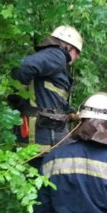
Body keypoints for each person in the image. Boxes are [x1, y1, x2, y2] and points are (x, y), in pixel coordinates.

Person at [8, 25, 83, 169]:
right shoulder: (57, 55)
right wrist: (17, 96)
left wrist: (70, 112)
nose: (78, 56)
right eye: (77, 51)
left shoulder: (53, 58)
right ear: (67, 46)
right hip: (44, 139)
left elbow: (51, 97)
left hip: (42, 137)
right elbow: (23, 67)